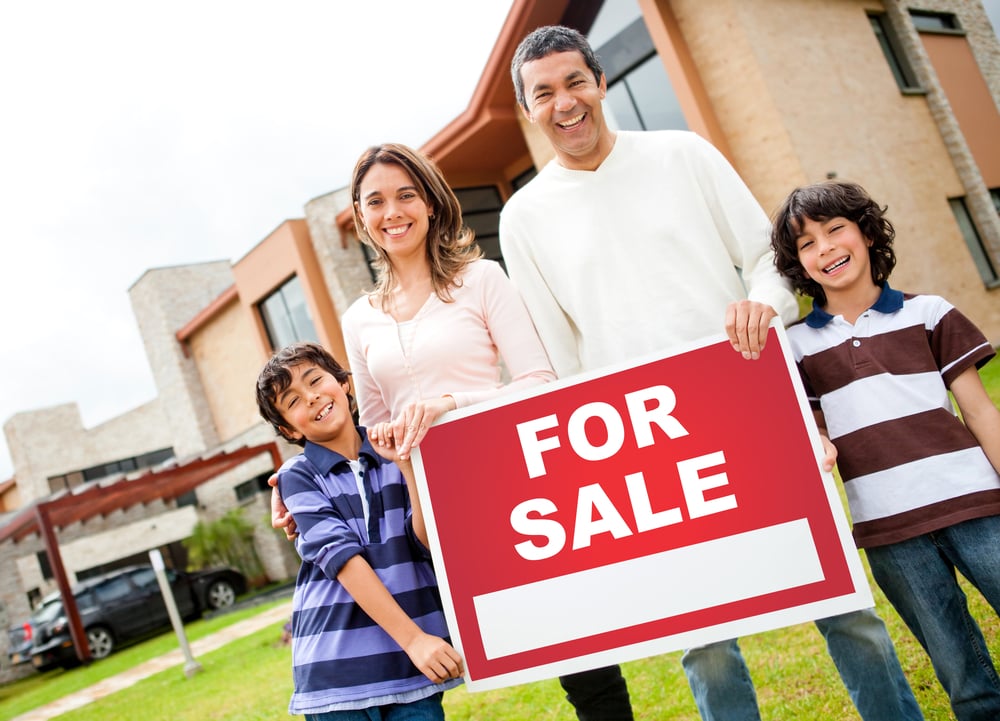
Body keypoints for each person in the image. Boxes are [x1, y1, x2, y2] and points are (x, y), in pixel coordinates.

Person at [500, 24, 924, 721]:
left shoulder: (682, 153)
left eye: (575, 81)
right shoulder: (522, 218)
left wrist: (761, 303)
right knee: (704, 643)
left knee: (840, 603)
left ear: (600, 83)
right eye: (543, 93)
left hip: (746, 403)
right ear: (527, 108)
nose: (564, 102)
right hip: (646, 445)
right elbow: (556, 353)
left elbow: (770, 264)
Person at [771, 180, 1000, 721]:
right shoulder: (797, 347)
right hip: (889, 533)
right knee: (963, 678)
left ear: (868, 234)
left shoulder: (930, 313)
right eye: (806, 244)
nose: (824, 248)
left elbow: (981, 410)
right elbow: (814, 431)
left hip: (975, 505)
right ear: (798, 266)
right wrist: (818, 444)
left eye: (834, 230)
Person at [256, 342, 464, 720]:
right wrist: (414, 640)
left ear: (344, 383)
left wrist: (407, 468)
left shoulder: (397, 449)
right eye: (294, 400)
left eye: (315, 380)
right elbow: (343, 561)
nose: (313, 397)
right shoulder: (297, 477)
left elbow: (427, 544)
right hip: (336, 677)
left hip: (411, 673)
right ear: (288, 428)